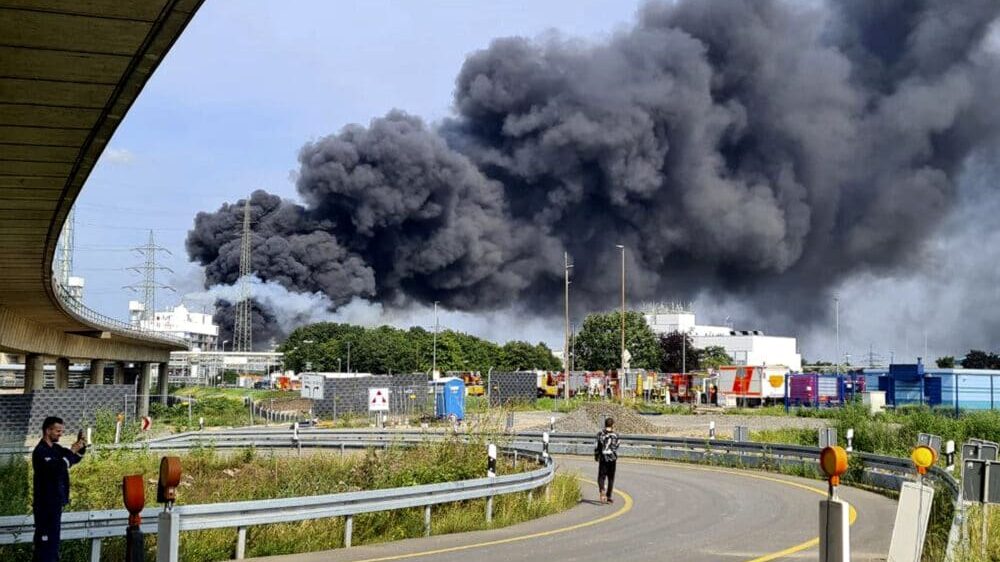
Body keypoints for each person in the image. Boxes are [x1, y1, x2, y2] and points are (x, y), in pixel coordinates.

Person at [32, 416, 86, 562]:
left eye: (62, 431)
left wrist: (80, 446)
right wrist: (71, 451)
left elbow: (72, 459)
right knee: (45, 546)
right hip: (44, 506)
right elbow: (57, 468)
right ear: (48, 430)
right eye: (57, 431)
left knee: (53, 545)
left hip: (55, 504)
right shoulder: (40, 452)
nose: (60, 434)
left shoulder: (56, 449)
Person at [595, 416, 619, 504]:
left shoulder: (600, 434)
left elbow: (597, 446)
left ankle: (602, 490)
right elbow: (616, 446)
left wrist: (596, 456)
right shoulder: (615, 435)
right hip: (612, 459)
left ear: (605, 424)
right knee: (611, 478)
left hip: (603, 458)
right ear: (612, 425)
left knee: (601, 477)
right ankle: (609, 496)